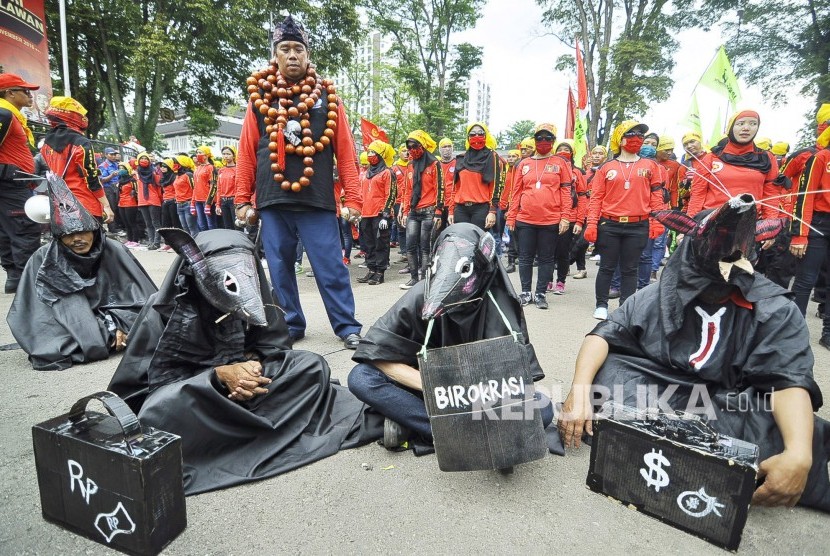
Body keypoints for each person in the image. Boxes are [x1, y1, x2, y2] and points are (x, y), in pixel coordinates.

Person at [558, 198, 830, 512]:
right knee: (605, 376)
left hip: (732, 402)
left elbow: (789, 381)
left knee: (787, 437)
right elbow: (605, 334)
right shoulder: (663, 291)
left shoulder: (776, 309)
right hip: (665, 387)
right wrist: (578, 393)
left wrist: (798, 453)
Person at [107, 228, 382, 495]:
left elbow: (275, 346)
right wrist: (217, 376)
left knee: (311, 365)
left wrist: (253, 367)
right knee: (159, 411)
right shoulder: (161, 308)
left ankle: (240, 434)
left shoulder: (258, 292)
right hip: (199, 398)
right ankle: (264, 430)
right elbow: (145, 386)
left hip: (251, 388)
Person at [349, 223, 553, 446]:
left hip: (481, 397)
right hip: (426, 389)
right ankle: (462, 435)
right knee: (362, 377)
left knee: (542, 407)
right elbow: (375, 351)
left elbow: (519, 382)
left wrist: (472, 394)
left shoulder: (501, 305)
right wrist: (432, 385)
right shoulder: (421, 294)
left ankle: (429, 430)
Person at [235, 15, 364, 348]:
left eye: (298, 49)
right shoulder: (259, 97)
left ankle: (347, 326)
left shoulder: (329, 98)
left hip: (317, 198)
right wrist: (241, 199)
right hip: (271, 198)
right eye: (285, 49)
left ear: (308, 55)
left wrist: (354, 199)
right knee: (279, 267)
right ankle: (290, 324)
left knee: (330, 266)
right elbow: (247, 152)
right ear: (274, 55)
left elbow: (346, 154)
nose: (292, 55)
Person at [7, 174, 156, 370]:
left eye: (83, 232)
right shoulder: (43, 258)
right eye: (68, 235)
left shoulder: (114, 250)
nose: (78, 239)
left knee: (150, 325)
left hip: (115, 313)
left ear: (95, 231)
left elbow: (142, 298)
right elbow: (36, 316)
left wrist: (119, 323)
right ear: (58, 238)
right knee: (54, 345)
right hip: (69, 321)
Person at [584, 120, 665, 320]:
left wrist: (657, 222)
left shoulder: (650, 166)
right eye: (630, 134)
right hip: (609, 224)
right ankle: (601, 304)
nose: (636, 138)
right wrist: (592, 224)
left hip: (638, 225)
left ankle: (625, 307)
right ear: (620, 139)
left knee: (630, 268)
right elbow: (596, 199)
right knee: (607, 267)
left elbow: (656, 197)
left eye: (640, 135)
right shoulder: (606, 167)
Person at [505, 123, 574, 309]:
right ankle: (526, 292)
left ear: (553, 141)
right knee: (525, 257)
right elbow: (516, 192)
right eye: (540, 138)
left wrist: (565, 217)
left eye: (548, 138)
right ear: (534, 140)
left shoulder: (560, 163)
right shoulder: (524, 164)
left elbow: (566, 192)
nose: (543, 141)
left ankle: (541, 293)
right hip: (525, 219)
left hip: (550, 220)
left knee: (546, 258)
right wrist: (511, 216)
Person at [687, 110, 780, 220]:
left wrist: (770, 226)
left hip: (748, 225)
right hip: (711, 223)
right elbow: (698, 194)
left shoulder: (767, 158)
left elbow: (771, 194)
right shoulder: (711, 158)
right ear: (731, 127)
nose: (746, 128)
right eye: (740, 123)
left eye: (753, 124)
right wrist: (689, 225)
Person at [40, 97, 115, 225]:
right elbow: (92, 178)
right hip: (84, 204)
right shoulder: (81, 143)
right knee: (90, 244)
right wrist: (106, 206)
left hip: (60, 204)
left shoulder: (45, 145)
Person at [788, 117, 830, 348]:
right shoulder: (820, 158)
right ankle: (793, 332)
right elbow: (805, 196)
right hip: (818, 223)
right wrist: (800, 234)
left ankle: (828, 334)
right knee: (805, 280)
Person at [0, 73, 42, 293]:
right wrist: (9, 171)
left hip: (11, 183)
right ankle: (27, 280)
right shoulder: (4, 113)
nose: (29, 95)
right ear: (10, 93)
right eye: (24, 91)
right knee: (24, 228)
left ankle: (16, 277)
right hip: (11, 183)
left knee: (7, 231)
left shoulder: (11, 115)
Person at [400, 130, 441, 290]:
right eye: (408, 146)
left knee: (425, 247)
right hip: (413, 211)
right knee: (410, 246)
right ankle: (413, 278)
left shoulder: (434, 164)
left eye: (414, 146)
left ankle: (424, 280)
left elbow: (440, 189)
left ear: (422, 146)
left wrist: (438, 212)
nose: (411, 149)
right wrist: (404, 211)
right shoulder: (410, 165)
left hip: (429, 211)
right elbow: (407, 190)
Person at [356, 140, 396, 286]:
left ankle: (380, 272)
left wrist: (386, 215)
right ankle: (371, 269)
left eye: (374, 152)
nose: (370, 155)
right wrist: (359, 212)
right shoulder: (367, 173)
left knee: (381, 244)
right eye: (369, 152)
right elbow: (362, 194)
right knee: (368, 244)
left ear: (381, 155)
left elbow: (390, 194)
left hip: (379, 214)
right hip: (366, 214)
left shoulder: (387, 172)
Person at [447, 122, 502, 231]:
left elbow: (495, 187)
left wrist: (492, 211)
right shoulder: (461, 158)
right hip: (461, 209)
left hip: (481, 209)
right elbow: (455, 188)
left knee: (478, 243)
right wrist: (451, 211)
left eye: (480, 133)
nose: (476, 136)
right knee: (461, 243)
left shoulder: (492, 157)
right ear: (468, 137)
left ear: (486, 135)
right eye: (472, 134)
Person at [551, 139, 586, 294]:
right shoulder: (549, 169)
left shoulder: (577, 172)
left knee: (563, 252)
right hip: (550, 216)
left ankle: (560, 282)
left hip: (569, 219)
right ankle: (547, 281)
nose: (563, 151)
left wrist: (579, 221)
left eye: (566, 149)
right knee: (548, 252)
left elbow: (582, 197)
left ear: (572, 153)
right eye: (559, 149)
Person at [499, 149, 521, 273]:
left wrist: (512, 208)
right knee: (499, 233)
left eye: (514, 156)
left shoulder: (519, 172)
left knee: (514, 236)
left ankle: (511, 262)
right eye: (509, 156)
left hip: (514, 208)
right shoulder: (505, 172)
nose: (511, 158)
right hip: (502, 207)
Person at [134, 152, 162, 250]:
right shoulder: (137, 173)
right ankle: (151, 242)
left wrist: (160, 198)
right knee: (148, 223)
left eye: (146, 158)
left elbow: (159, 186)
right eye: (141, 158)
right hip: (142, 201)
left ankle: (157, 242)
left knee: (155, 223)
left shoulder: (154, 172)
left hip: (153, 200)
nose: (144, 160)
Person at [98, 147, 124, 235]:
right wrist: (111, 176)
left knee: (118, 207)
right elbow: (101, 180)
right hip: (108, 188)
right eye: (111, 154)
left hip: (118, 187)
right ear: (106, 155)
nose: (113, 156)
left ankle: (120, 226)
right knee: (112, 207)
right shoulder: (103, 166)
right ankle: (113, 228)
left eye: (114, 154)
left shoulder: (117, 164)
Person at [116, 163, 141, 248]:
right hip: (121, 203)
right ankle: (129, 239)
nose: (121, 170)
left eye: (123, 168)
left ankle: (135, 240)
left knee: (132, 222)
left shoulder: (132, 180)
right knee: (126, 223)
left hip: (130, 203)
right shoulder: (120, 180)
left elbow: (136, 191)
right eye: (119, 168)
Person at [193, 146, 217, 232]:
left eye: (200, 152)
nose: (198, 155)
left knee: (211, 225)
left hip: (207, 201)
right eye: (197, 153)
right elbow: (195, 187)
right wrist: (193, 202)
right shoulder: (197, 168)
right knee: (202, 226)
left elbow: (214, 186)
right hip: (198, 201)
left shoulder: (211, 168)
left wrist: (208, 203)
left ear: (206, 155)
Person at [157, 158, 178, 250]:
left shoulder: (174, 176)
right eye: (161, 166)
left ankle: (176, 243)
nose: (163, 168)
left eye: (165, 166)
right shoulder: (163, 178)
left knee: (175, 223)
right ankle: (167, 243)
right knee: (165, 223)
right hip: (165, 201)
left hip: (173, 201)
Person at [217, 146, 237, 230]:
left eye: (228, 154)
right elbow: (219, 188)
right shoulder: (221, 170)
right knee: (227, 227)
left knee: (237, 226)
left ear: (233, 155)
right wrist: (218, 205)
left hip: (234, 201)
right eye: (224, 154)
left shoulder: (237, 169)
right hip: (223, 201)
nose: (226, 156)